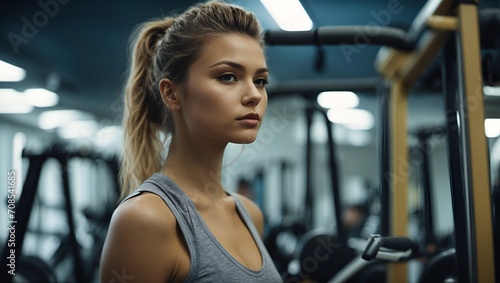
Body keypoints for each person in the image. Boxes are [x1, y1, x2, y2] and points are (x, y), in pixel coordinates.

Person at [99, 1, 282, 282]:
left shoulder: (250, 214)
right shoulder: (144, 220)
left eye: (260, 80)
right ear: (172, 94)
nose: (254, 95)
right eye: (228, 76)